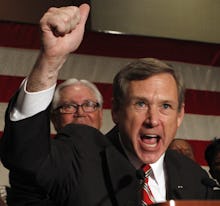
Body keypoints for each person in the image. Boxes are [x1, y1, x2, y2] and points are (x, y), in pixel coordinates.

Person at [0, 4, 217, 206]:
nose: (153, 119)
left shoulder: (194, 177)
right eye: (141, 104)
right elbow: (27, 158)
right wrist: (50, 61)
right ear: (116, 111)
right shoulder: (82, 154)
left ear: (180, 115)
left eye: (166, 107)